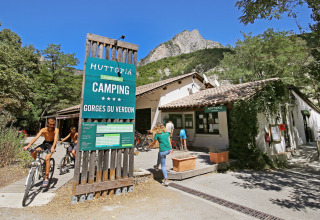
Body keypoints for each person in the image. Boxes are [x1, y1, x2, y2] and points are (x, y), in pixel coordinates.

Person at [22, 118, 59, 187]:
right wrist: (28, 146)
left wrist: (53, 147)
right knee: (33, 152)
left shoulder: (56, 130)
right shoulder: (43, 130)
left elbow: (55, 139)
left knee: (47, 159)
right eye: (50, 124)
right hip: (45, 143)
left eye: (53, 124)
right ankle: (41, 163)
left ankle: (46, 178)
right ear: (47, 124)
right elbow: (36, 137)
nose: (52, 126)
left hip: (51, 144)